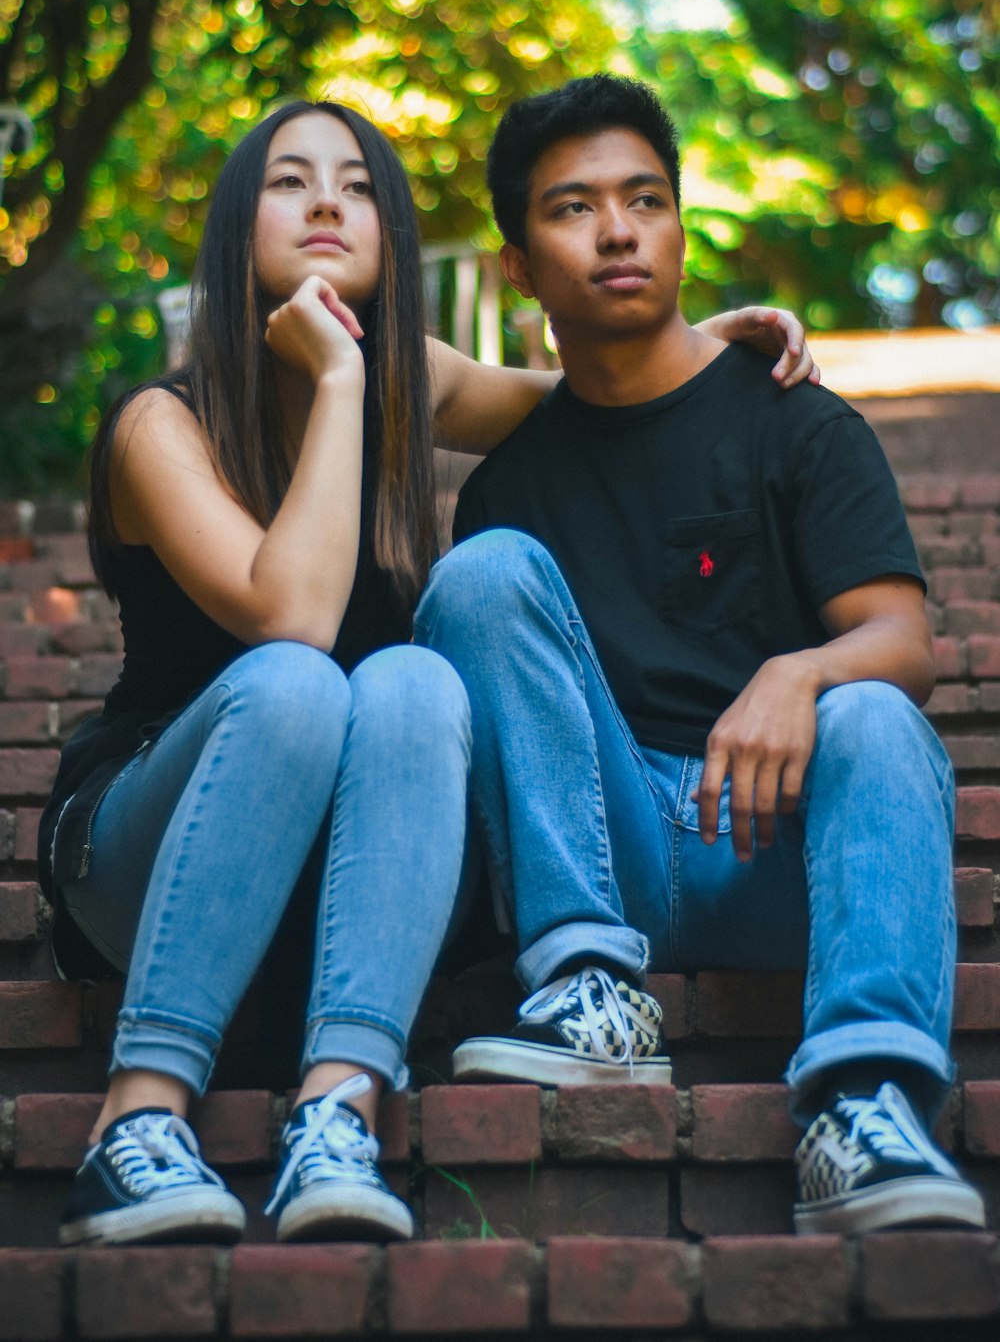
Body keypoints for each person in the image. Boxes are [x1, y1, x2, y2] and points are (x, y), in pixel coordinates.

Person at [38, 96, 813, 1249]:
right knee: (307, 684)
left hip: (349, 859)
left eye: (356, 186)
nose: (325, 204)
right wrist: (342, 388)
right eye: (290, 180)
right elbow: (289, 621)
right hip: (154, 845)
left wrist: (705, 349)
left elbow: (601, 394)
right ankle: (137, 1123)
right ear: (233, 225)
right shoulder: (162, 424)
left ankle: (335, 1115)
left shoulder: (418, 378)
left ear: (390, 235)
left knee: (415, 683)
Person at [414, 74, 987, 1237]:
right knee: (475, 576)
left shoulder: (792, 418)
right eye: (572, 208)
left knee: (876, 715)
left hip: (771, 844)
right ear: (517, 266)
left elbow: (902, 644)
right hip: (600, 841)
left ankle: (860, 1105)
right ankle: (584, 985)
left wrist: (798, 672)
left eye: (645, 200)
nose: (618, 230)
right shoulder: (510, 484)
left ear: (679, 223)